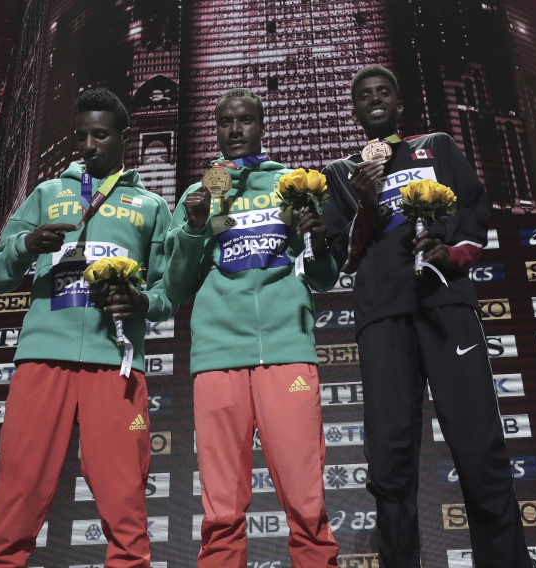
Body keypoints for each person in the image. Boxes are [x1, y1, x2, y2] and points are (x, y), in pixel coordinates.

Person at [321, 65, 532, 568]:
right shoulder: (340, 174)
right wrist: (368, 205)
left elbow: (474, 210)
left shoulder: (435, 146)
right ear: (355, 112)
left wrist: (451, 253)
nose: (374, 100)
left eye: (383, 92)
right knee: (390, 461)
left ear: (399, 104)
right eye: (364, 96)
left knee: (478, 444)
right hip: (382, 318)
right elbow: (339, 256)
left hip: (445, 308)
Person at [0, 87, 175, 568]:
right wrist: (27, 244)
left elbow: (168, 295)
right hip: (43, 359)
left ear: (124, 138)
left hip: (116, 364)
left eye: (100, 135)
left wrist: (140, 301)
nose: (89, 146)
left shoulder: (151, 207)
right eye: (81, 136)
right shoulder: (47, 194)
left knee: (124, 498)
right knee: (18, 494)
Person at [165, 88, 340, 568]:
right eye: (224, 122)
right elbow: (177, 286)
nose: (235, 130)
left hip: (287, 353)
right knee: (221, 510)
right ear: (215, 130)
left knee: (307, 503)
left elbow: (323, 279)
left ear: (262, 126)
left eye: (244, 120)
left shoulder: (294, 185)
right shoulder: (198, 195)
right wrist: (195, 227)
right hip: (218, 358)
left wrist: (318, 244)